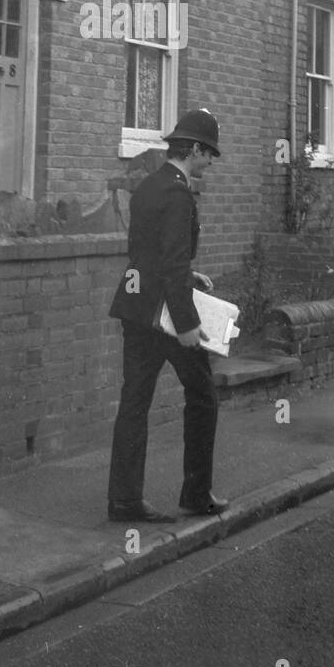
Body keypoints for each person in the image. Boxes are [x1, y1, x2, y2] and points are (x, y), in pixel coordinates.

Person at [107, 109, 228, 523]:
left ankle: (123, 500)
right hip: (166, 314)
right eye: (208, 153)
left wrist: (186, 273)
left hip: (135, 306)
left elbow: (147, 252)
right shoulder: (179, 195)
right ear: (193, 149)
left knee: (134, 402)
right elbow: (173, 265)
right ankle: (196, 495)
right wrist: (189, 326)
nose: (210, 161)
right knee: (204, 395)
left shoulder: (149, 186)